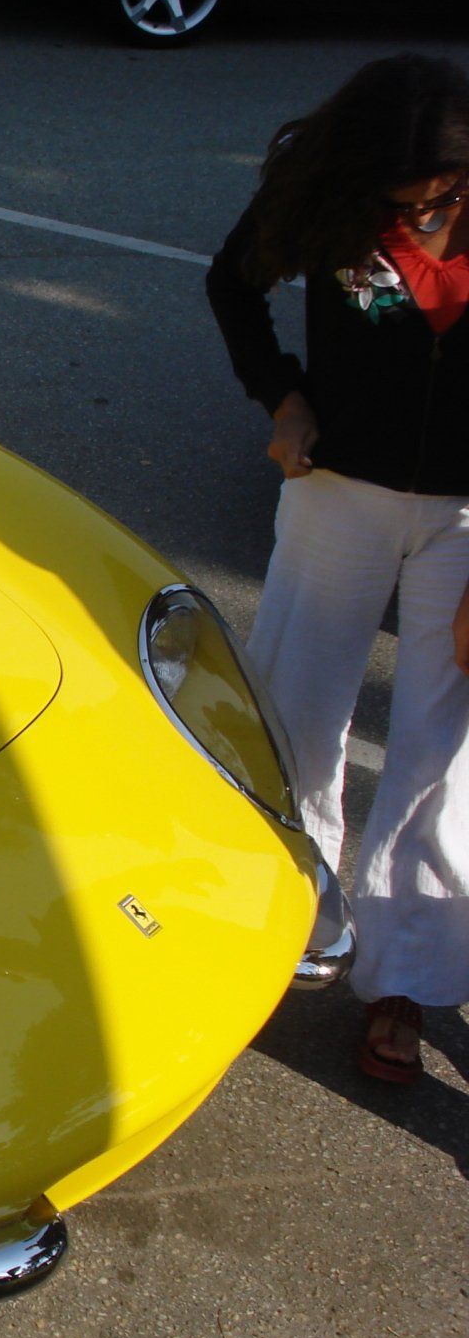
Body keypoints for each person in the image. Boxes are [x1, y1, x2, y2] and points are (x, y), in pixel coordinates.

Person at [206, 53, 469, 1085]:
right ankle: (296, 925)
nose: (428, 210)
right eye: (406, 200)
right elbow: (232, 284)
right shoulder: (323, 199)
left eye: (446, 192)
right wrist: (282, 397)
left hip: (465, 515)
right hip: (338, 490)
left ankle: (406, 973)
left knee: (438, 746)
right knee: (299, 715)